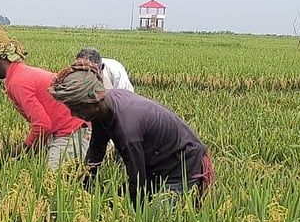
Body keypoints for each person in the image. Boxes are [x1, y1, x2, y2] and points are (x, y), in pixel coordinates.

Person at [49, 59, 213, 206]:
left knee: (153, 220)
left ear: (93, 100)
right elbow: (96, 151)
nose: (73, 114)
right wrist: (83, 188)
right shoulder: (105, 107)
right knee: (112, 202)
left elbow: (138, 181)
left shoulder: (127, 128)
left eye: (76, 108)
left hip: (182, 169)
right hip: (155, 167)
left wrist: (123, 208)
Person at [0, 26, 90, 169]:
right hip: (73, 128)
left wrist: (25, 147)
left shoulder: (18, 82)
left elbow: (42, 125)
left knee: (51, 182)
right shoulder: (22, 73)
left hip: (74, 132)